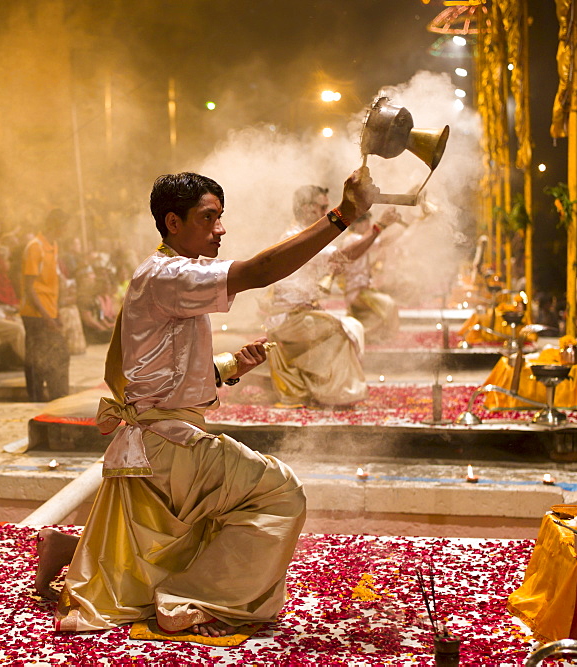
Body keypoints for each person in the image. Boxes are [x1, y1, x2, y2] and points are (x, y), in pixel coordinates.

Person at [36, 168, 376, 638]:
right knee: (280, 493)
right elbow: (258, 272)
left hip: (149, 440)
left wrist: (231, 366)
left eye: (221, 217)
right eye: (208, 217)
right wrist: (342, 216)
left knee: (185, 526)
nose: (220, 229)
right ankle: (193, 601)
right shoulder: (171, 273)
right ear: (173, 223)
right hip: (164, 445)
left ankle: (68, 552)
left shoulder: (160, 273)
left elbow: (159, 367)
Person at [262, 184, 367, 407]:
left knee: (346, 325)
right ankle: (336, 395)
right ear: (307, 208)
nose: (325, 214)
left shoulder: (303, 233)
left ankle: (330, 390)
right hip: (288, 318)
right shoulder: (299, 236)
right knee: (341, 329)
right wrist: (379, 229)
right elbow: (344, 256)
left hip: (299, 312)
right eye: (322, 208)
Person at [19, 211, 69, 401]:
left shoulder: (53, 246)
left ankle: (58, 395)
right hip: (35, 313)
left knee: (57, 353)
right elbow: (30, 288)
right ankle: (36, 397)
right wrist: (47, 317)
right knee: (35, 358)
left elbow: (52, 283)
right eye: (64, 226)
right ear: (56, 226)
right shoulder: (35, 247)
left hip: (49, 310)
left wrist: (56, 312)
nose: (65, 231)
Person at [335, 208, 401, 339]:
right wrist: (405, 225)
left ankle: (372, 337)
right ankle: (390, 338)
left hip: (360, 289)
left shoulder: (357, 239)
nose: (368, 226)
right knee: (389, 304)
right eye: (366, 223)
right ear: (357, 224)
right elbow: (384, 241)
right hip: (357, 291)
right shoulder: (354, 239)